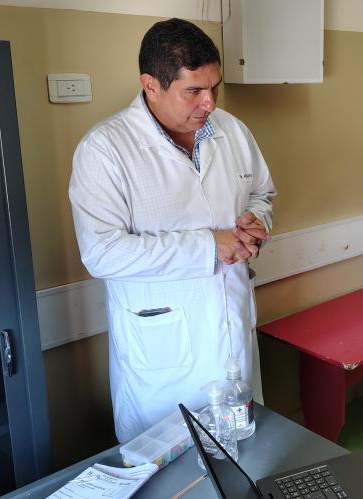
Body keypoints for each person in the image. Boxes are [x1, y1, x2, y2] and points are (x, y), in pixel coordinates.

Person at [69, 18, 276, 443]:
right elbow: (102, 253)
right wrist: (208, 246)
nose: (209, 103)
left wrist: (257, 221)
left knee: (243, 457)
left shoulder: (233, 131)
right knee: (171, 465)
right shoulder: (105, 150)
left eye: (215, 87)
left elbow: (261, 193)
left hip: (233, 330)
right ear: (151, 85)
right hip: (162, 357)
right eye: (193, 91)